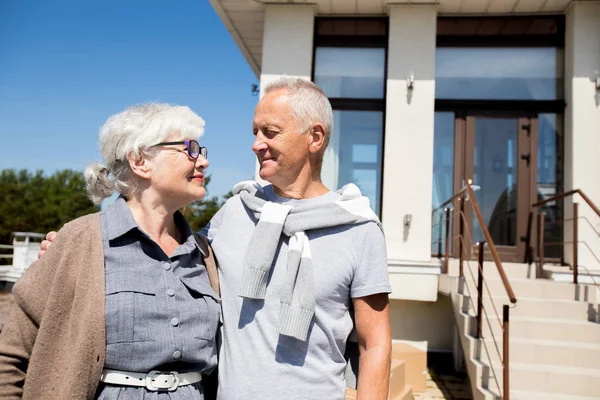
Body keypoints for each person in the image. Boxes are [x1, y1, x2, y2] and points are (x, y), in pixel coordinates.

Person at [39, 78, 393, 400]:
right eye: (255, 132)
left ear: (314, 138)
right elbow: (166, 254)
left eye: (270, 132)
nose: (256, 145)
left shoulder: (359, 229)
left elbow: (374, 343)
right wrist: (74, 247)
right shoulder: (236, 211)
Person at [0, 103, 220, 400]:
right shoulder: (78, 241)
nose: (203, 161)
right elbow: (11, 357)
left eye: (201, 150)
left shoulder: (205, 253)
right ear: (140, 160)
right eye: (190, 149)